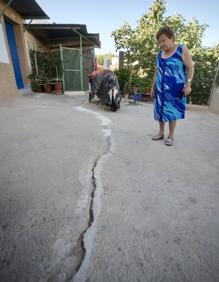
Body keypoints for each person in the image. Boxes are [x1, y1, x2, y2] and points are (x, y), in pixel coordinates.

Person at [150, 26, 194, 146]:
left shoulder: (182, 50)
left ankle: (171, 135)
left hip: (175, 89)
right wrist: (153, 86)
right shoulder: (159, 54)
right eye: (159, 42)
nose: (161, 44)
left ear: (171, 38)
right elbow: (157, 71)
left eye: (163, 40)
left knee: (172, 111)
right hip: (160, 88)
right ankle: (160, 133)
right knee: (159, 111)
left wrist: (188, 84)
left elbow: (190, 67)